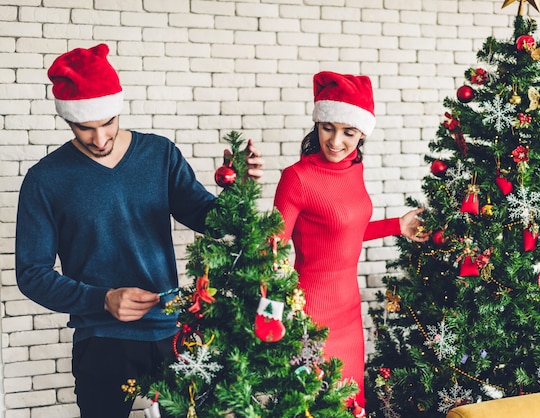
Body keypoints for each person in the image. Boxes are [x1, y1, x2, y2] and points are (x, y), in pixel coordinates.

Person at [14, 43, 263, 418]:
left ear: (118, 109)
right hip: (100, 340)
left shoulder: (159, 155)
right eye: (85, 127)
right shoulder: (45, 180)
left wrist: (238, 187)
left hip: (173, 333)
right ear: (67, 119)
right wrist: (102, 299)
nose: (99, 139)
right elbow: (31, 274)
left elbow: (209, 219)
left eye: (107, 123)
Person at [273, 71, 430, 414]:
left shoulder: (354, 166)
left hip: (348, 310)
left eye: (349, 132)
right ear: (317, 123)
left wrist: (396, 226)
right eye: (328, 127)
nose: (336, 141)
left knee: (350, 402)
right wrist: (274, 311)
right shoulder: (297, 178)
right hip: (309, 312)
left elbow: (344, 232)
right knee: (313, 406)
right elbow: (271, 251)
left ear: (363, 133)